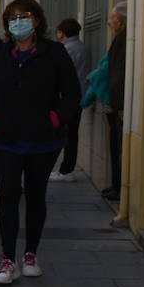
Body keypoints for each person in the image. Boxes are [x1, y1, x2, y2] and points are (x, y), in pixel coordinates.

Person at [0, 0, 81, 285]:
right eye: (13, 18)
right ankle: (8, 260)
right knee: (8, 195)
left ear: (36, 20)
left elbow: (72, 94)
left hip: (43, 141)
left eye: (24, 16)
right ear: (7, 24)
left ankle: (31, 254)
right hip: (6, 139)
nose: (18, 22)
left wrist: (55, 119)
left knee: (36, 196)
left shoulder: (54, 53)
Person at [51, 18, 89, 182]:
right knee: (72, 133)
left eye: (58, 31)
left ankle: (66, 170)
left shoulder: (66, 49)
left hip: (67, 99)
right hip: (80, 95)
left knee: (65, 134)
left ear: (62, 32)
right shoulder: (82, 47)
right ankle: (67, 168)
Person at [101, 4, 127, 201]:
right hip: (117, 103)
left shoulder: (123, 39)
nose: (110, 23)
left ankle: (119, 187)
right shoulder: (122, 38)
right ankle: (117, 186)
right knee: (116, 148)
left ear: (120, 21)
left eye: (112, 20)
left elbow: (118, 73)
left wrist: (117, 104)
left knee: (118, 148)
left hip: (119, 105)